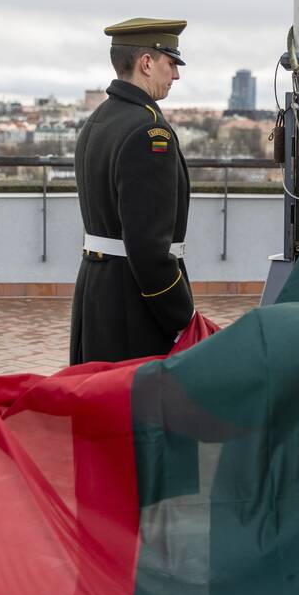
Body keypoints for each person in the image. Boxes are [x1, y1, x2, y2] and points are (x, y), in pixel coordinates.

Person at [70, 18, 195, 364]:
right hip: (134, 302)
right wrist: (182, 317)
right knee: (138, 412)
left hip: (96, 289)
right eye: (170, 64)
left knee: (98, 405)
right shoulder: (149, 132)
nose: (176, 75)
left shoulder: (98, 120)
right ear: (146, 63)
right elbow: (148, 251)